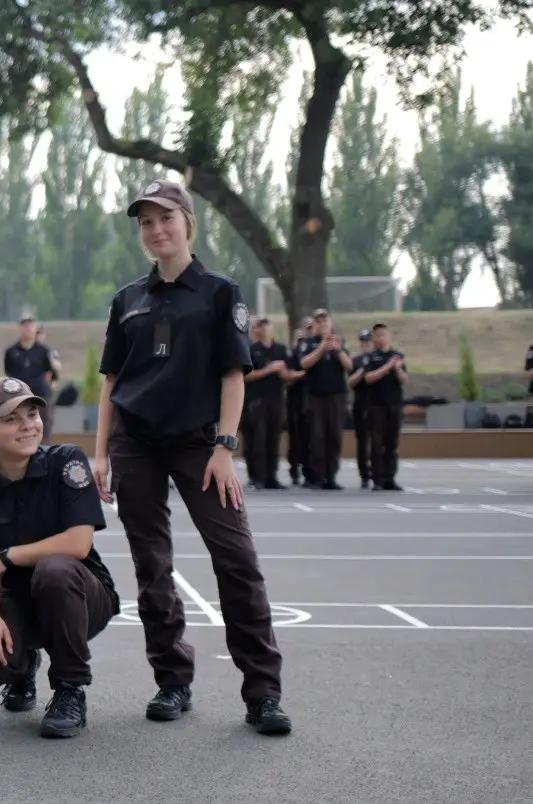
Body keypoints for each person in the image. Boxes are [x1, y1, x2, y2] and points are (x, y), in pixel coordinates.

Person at [93, 178, 290, 735]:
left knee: (237, 561)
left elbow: (234, 377)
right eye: (146, 222)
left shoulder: (221, 292)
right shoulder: (127, 299)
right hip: (136, 444)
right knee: (151, 567)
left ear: (188, 223)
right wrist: (101, 453)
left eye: (165, 219)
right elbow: (111, 382)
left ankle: (263, 693)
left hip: (200, 444)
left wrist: (225, 448)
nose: (156, 230)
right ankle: (172, 680)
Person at [0, 377, 119, 738]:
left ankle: (69, 689)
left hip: (81, 596)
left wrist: (6, 556)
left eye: (32, 414)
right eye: (11, 419)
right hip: (17, 599)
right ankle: (22, 667)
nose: (28, 425)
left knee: (54, 570)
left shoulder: (66, 463)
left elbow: (78, 543)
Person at [296, 309, 352, 490]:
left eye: (325, 321)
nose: (323, 325)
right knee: (317, 436)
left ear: (330, 323)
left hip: (336, 396)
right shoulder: (309, 343)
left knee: (334, 436)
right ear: (315, 325)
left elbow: (349, 366)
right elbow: (304, 364)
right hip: (315, 397)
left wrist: (337, 350)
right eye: (319, 322)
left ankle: (331, 476)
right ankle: (317, 476)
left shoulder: (339, 343)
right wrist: (321, 348)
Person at [349, 323, 407, 491]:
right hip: (376, 405)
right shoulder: (370, 357)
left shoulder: (398, 356)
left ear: (389, 336)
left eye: (383, 335)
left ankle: (390, 477)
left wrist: (397, 370)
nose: (380, 338)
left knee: (392, 442)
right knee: (376, 443)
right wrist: (386, 368)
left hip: (394, 404)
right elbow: (368, 378)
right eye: (377, 335)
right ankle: (377, 479)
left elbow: (404, 379)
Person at [243, 317, 299, 489]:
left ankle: (271, 477)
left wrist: (286, 373)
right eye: (260, 326)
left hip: (276, 399)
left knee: (273, 438)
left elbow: (289, 375)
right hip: (257, 400)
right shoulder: (251, 350)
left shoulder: (281, 349)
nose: (263, 329)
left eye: (266, 325)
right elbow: (246, 376)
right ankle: (257, 476)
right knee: (258, 438)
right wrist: (269, 369)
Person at [4, 316, 56, 436]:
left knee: (43, 427)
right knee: (19, 428)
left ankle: (44, 453)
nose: (27, 329)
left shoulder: (44, 351)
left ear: (36, 328)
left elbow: (49, 373)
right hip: (18, 396)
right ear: (20, 328)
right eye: (25, 326)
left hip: (40, 395)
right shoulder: (11, 351)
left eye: (31, 325)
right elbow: (9, 372)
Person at [285, 317, 313, 486]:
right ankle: (294, 469)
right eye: (306, 329)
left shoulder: (314, 348)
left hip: (309, 396)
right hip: (295, 397)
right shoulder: (295, 351)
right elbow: (289, 374)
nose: (308, 332)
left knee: (310, 436)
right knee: (295, 435)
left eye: (311, 328)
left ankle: (308, 470)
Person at [349, 330, 376, 488]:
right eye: (363, 342)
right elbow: (350, 382)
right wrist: (362, 371)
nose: (366, 344)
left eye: (368, 341)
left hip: (376, 403)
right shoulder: (356, 361)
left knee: (377, 439)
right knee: (362, 440)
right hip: (361, 403)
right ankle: (364, 474)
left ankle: (378, 471)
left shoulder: (378, 359)